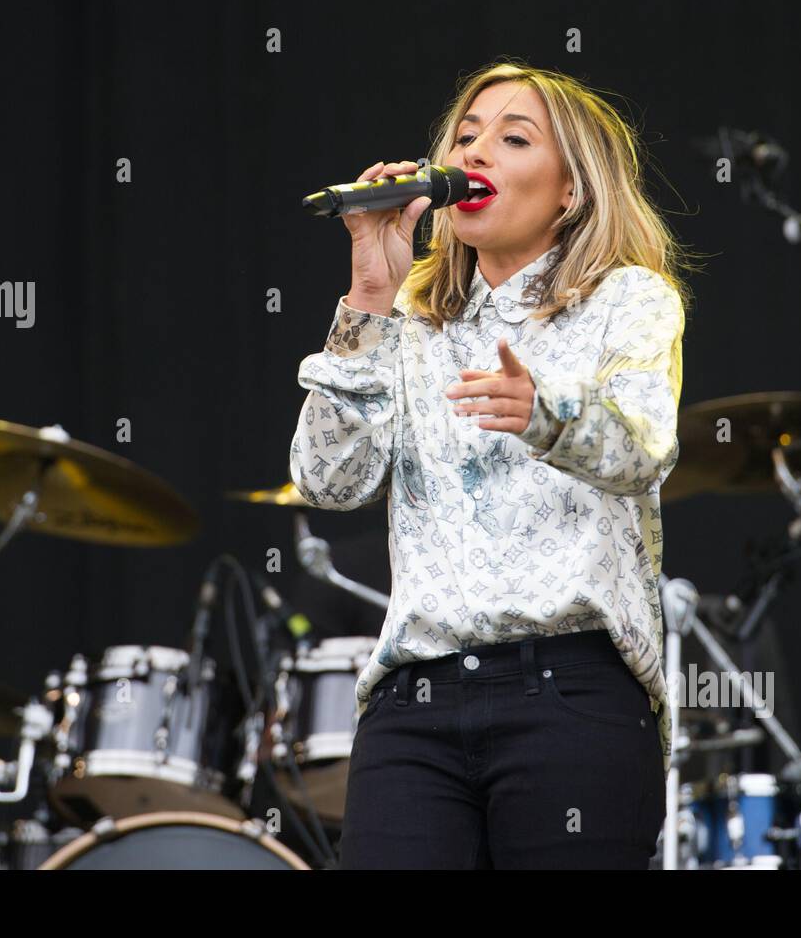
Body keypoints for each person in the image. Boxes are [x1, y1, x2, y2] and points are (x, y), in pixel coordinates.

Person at [288, 60, 689, 869]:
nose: (476, 152)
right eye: (465, 136)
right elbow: (327, 481)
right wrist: (370, 291)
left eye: (513, 138)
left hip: (571, 694)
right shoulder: (409, 319)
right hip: (414, 704)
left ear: (569, 189)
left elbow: (645, 448)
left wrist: (545, 413)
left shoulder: (628, 300)